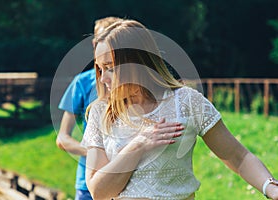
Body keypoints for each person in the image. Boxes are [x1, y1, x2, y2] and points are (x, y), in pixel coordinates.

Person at [81, 19, 278, 200]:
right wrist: (138, 145)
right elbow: (99, 192)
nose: (103, 78)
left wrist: (271, 187)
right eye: (100, 68)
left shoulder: (186, 101)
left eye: (110, 67)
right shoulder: (101, 113)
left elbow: (238, 156)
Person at [56, 16, 123, 200]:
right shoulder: (82, 83)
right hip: (89, 184)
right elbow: (62, 138)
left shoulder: (133, 83)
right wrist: (97, 154)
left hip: (125, 181)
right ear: (95, 45)